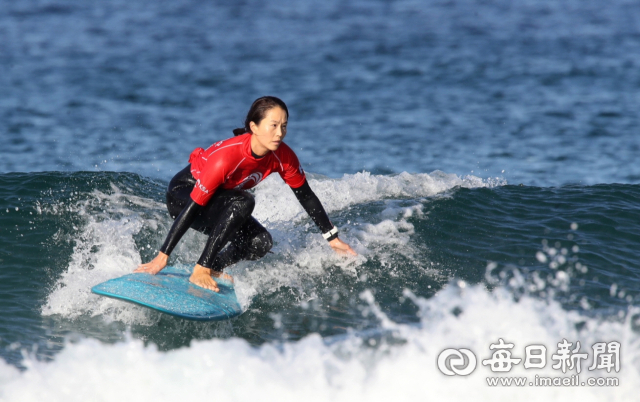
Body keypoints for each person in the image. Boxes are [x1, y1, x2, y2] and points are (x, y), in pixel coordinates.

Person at [135, 96, 356, 292]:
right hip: (183, 196)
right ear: (254, 126)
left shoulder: (283, 156)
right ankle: (201, 268)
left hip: (220, 201)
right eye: (273, 125)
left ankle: (212, 268)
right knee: (244, 200)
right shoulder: (227, 156)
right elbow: (193, 206)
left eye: (284, 126)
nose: (280, 133)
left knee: (260, 242)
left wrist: (333, 239)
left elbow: (305, 195)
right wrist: (162, 257)